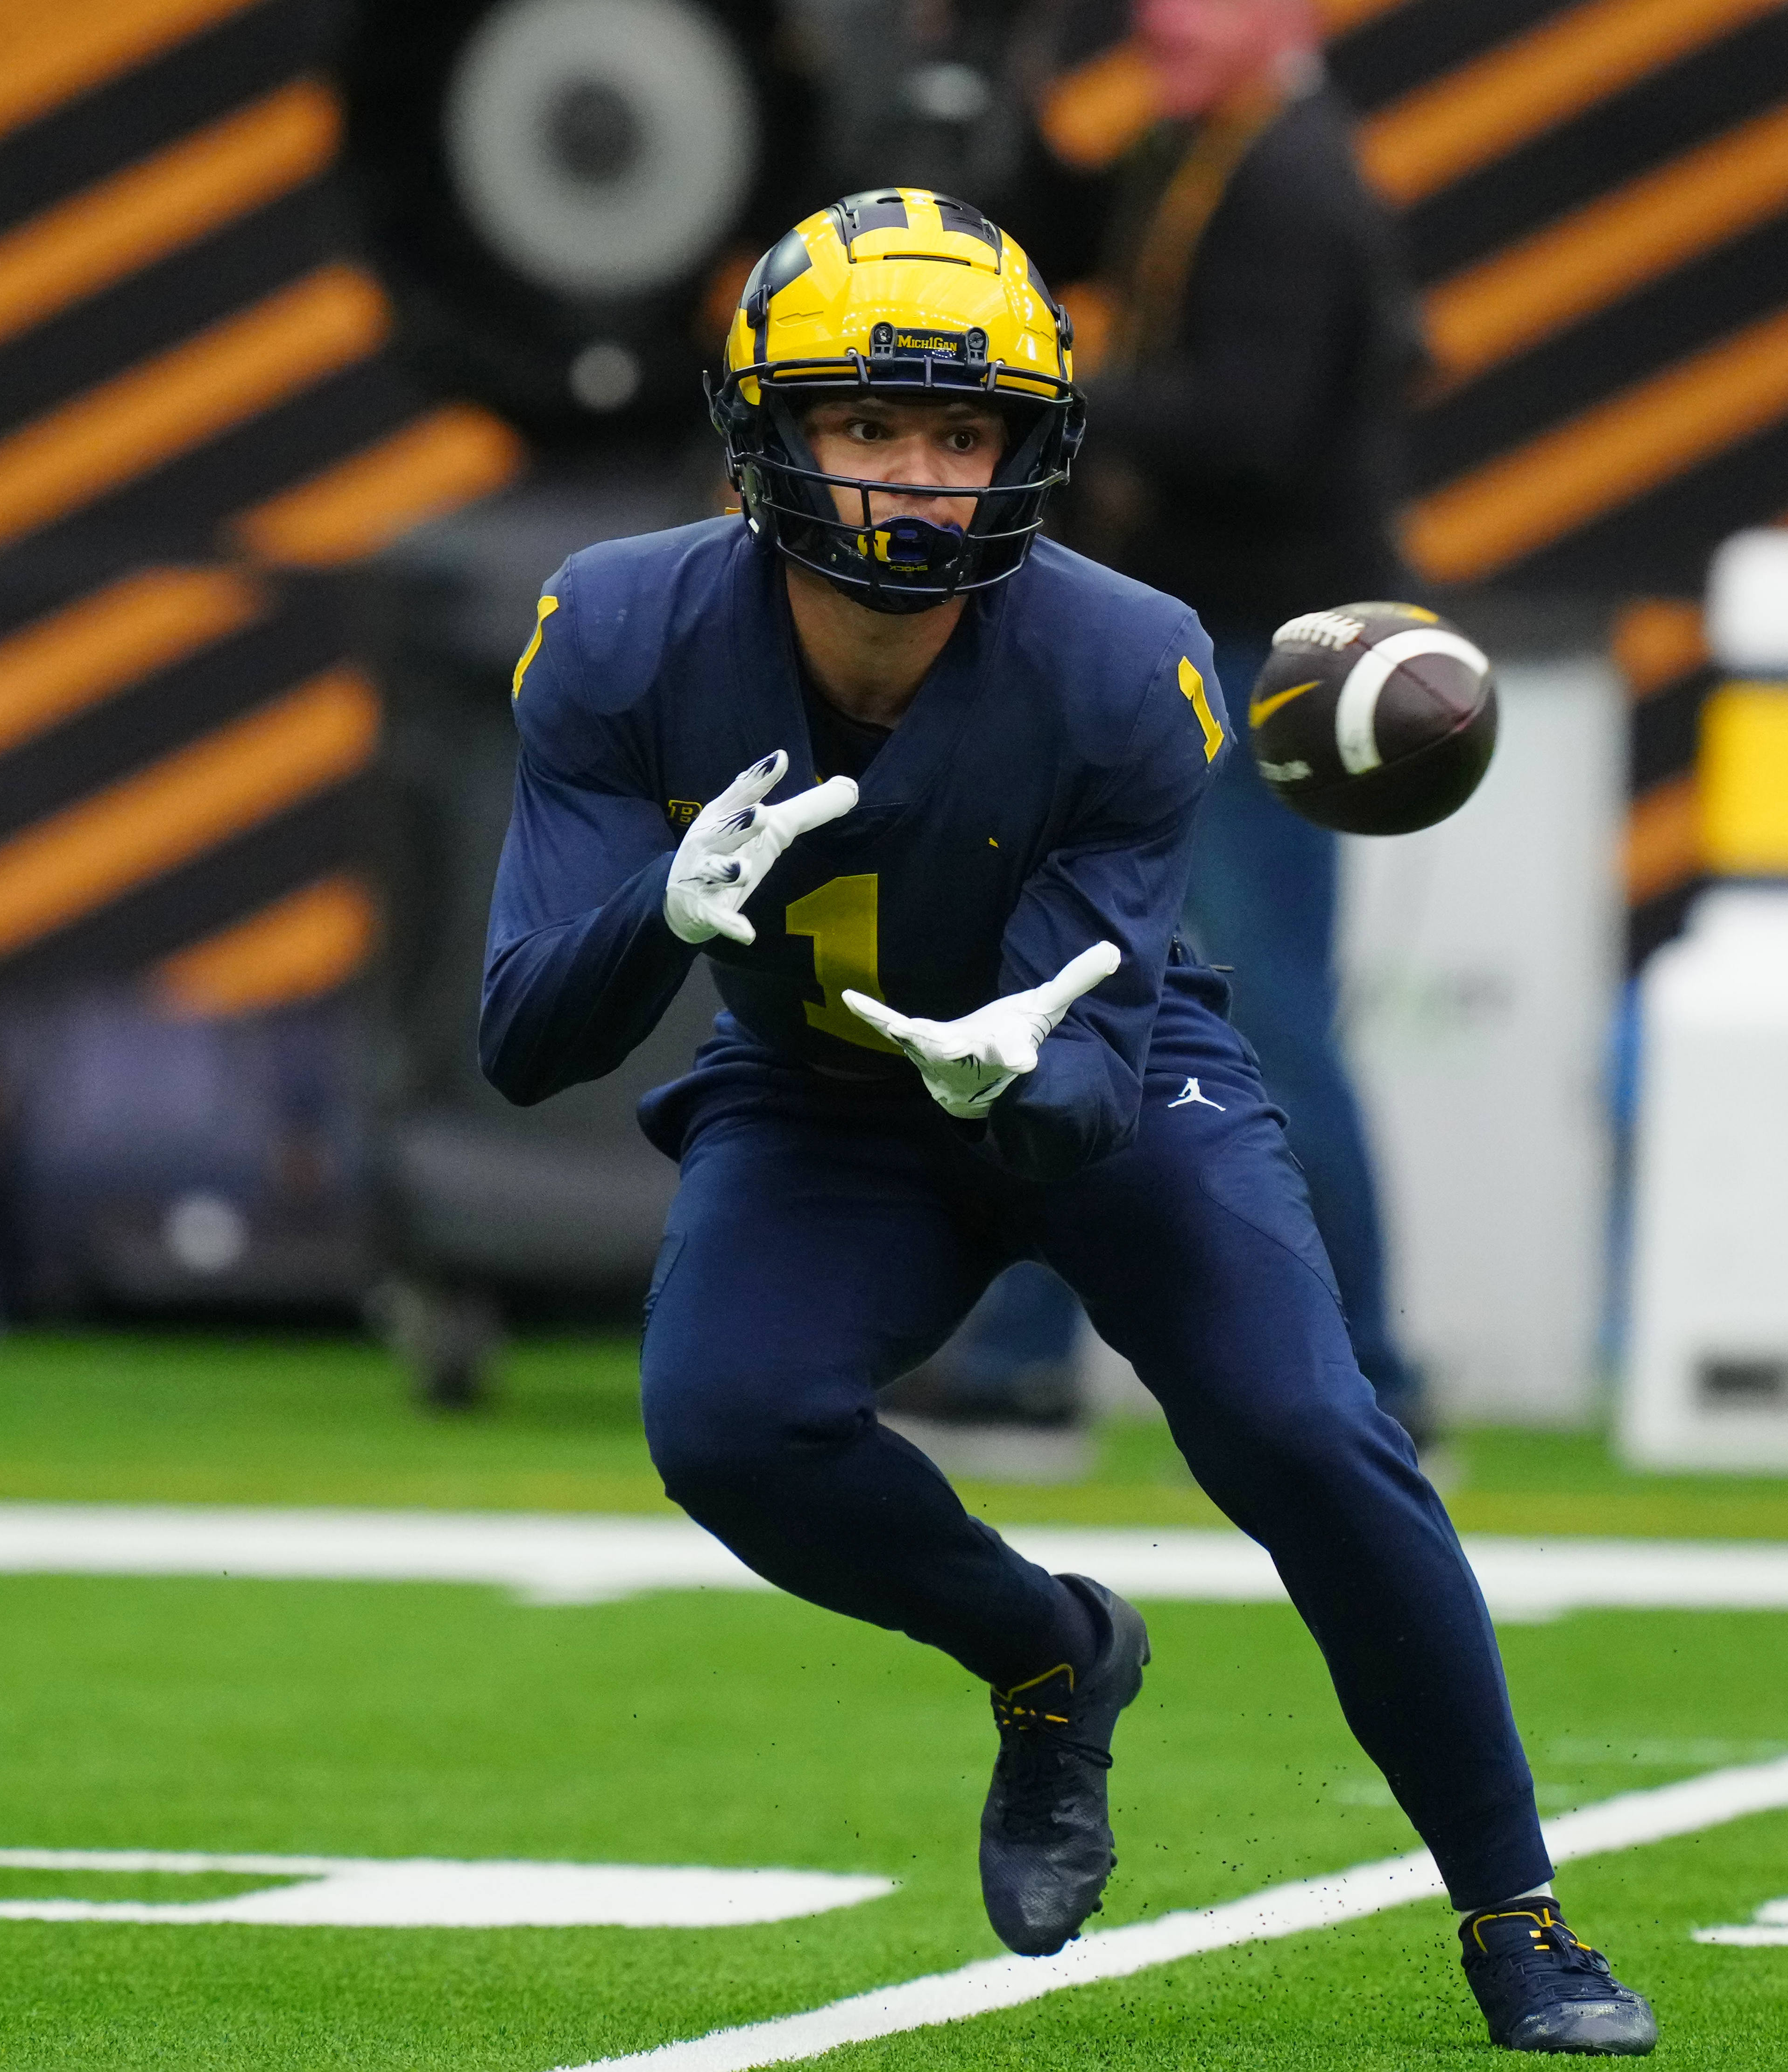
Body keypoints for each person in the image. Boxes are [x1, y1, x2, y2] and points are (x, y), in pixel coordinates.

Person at [479, 187, 1655, 2055]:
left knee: (1301, 1427)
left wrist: (1016, 1075)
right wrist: (659, 915)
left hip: (1106, 1060)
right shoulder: (616, 629)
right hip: (815, 1088)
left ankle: (1517, 1915)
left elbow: (1081, 1091)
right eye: (869, 423)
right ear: (765, 436)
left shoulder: (1119, 655)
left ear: (1025, 455)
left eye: (961, 434)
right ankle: (1046, 1652)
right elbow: (522, 1037)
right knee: (721, 1422)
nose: (917, 480)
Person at [895, 0, 1429, 1436]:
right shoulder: (1198, 148)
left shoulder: (1292, 182)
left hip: (1261, 656)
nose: (1161, 17)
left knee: (1245, 1010)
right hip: (1201, 647)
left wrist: (1047, 389)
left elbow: (1251, 431)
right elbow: (1044, 221)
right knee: (1099, 985)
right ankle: (1021, 1358)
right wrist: (982, 101)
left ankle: (1372, 1371)